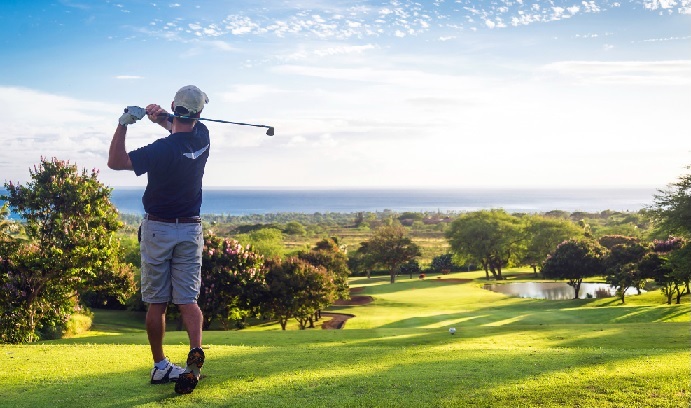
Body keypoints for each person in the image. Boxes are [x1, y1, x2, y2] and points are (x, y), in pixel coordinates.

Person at [107, 85, 210, 395]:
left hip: (159, 229)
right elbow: (179, 126)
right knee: (188, 301)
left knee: (157, 302)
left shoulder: (160, 150)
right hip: (190, 229)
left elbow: (116, 161)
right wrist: (161, 117)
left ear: (174, 106)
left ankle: (160, 367)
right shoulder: (203, 136)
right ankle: (193, 365)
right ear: (199, 113)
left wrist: (124, 122)